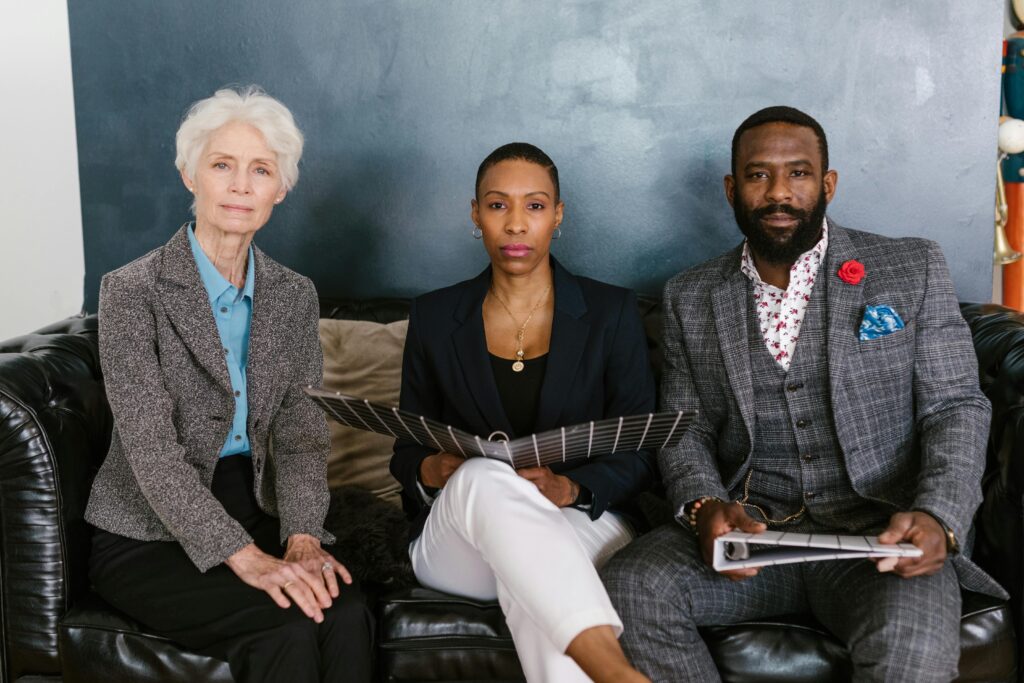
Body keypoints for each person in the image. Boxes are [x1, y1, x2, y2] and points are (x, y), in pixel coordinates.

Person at [601, 106, 1008, 682]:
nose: (778, 193)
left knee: (911, 645)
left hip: (880, 538)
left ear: (827, 184)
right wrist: (703, 505)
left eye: (798, 173)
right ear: (731, 189)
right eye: (758, 175)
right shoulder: (690, 296)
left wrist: (938, 517)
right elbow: (683, 427)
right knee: (631, 587)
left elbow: (955, 407)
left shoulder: (909, 268)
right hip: (753, 538)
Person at [85, 86, 372, 683]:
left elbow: (298, 437)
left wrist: (299, 537)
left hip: (256, 505)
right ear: (190, 175)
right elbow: (148, 447)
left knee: (346, 614)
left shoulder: (293, 296)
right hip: (147, 529)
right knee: (284, 626)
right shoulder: (132, 291)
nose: (241, 185)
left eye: (260, 169)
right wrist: (242, 557)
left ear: (280, 189)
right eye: (222, 165)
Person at [390, 142, 656, 683]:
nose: (515, 224)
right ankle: (615, 672)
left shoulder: (611, 312)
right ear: (475, 214)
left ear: (558, 215)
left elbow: (640, 449)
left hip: (581, 521)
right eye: (497, 206)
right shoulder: (436, 315)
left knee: (535, 575)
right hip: (459, 542)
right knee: (486, 476)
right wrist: (431, 469)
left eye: (534, 206)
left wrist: (571, 490)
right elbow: (406, 450)